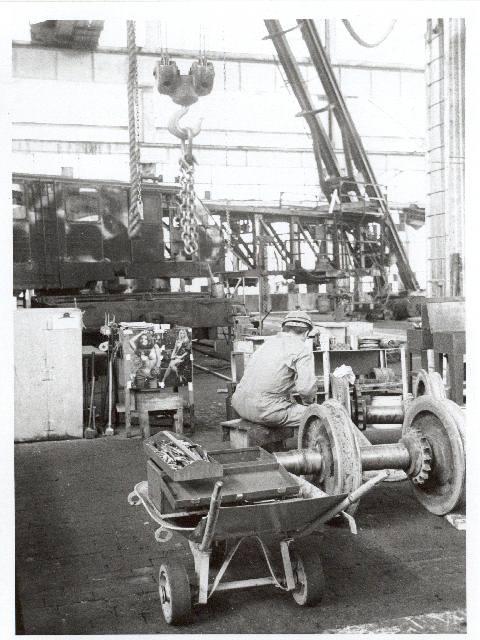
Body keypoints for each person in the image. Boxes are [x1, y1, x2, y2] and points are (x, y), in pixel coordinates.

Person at [231, 310, 317, 428]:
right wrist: (310, 404)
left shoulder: (267, 343)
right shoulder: (302, 349)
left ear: (284, 328)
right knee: (322, 415)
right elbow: (306, 389)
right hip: (265, 410)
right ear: (307, 333)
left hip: (238, 403)